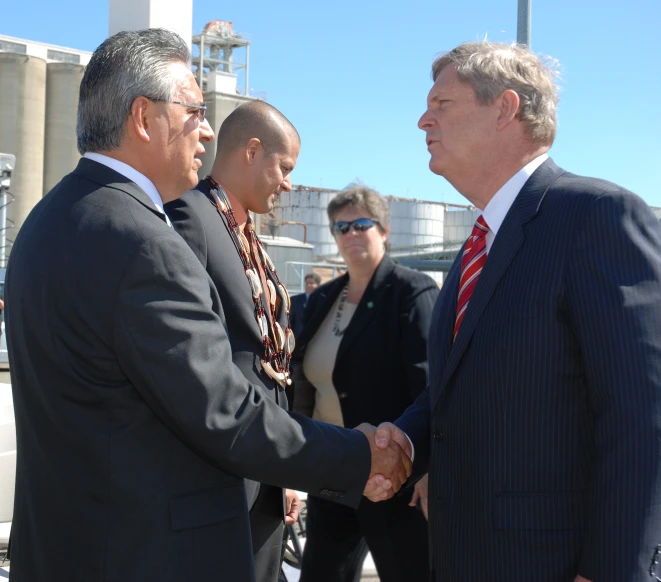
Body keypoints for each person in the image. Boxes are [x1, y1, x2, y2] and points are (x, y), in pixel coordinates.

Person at [4, 29, 411, 582]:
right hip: (147, 553)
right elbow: (225, 414)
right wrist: (360, 457)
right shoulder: (142, 240)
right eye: (194, 112)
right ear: (144, 119)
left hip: (73, 544)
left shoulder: (51, 219)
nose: (205, 132)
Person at [367, 41, 661, 581]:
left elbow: (651, 406)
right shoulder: (479, 245)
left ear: (505, 108)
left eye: (442, 103)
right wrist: (405, 437)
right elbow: (463, 385)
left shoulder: (596, 216)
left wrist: (608, 571)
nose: (423, 119)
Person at [164, 101, 304, 582]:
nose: (287, 183)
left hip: (263, 472)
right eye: (284, 168)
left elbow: (272, 361)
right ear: (252, 150)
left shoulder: (247, 233)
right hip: (220, 474)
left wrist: (284, 474)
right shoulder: (190, 218)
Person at [293, 184, 436, 582]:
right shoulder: (322, 300)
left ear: (384, 231)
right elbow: (304, 381)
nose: (350, 235)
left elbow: (431, 386)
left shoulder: (411, 292)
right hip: (333, 471)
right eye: (341, 228)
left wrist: (427, 472)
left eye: (361, 224)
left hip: (393, 479)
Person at [289, 273, 321, 339]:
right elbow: (290, 321)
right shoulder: (294, 300)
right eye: (307, 283)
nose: (308, 285)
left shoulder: (323, 301)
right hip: (298, 339)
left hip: (316, 339)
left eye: (312, 283)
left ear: (318, 285)